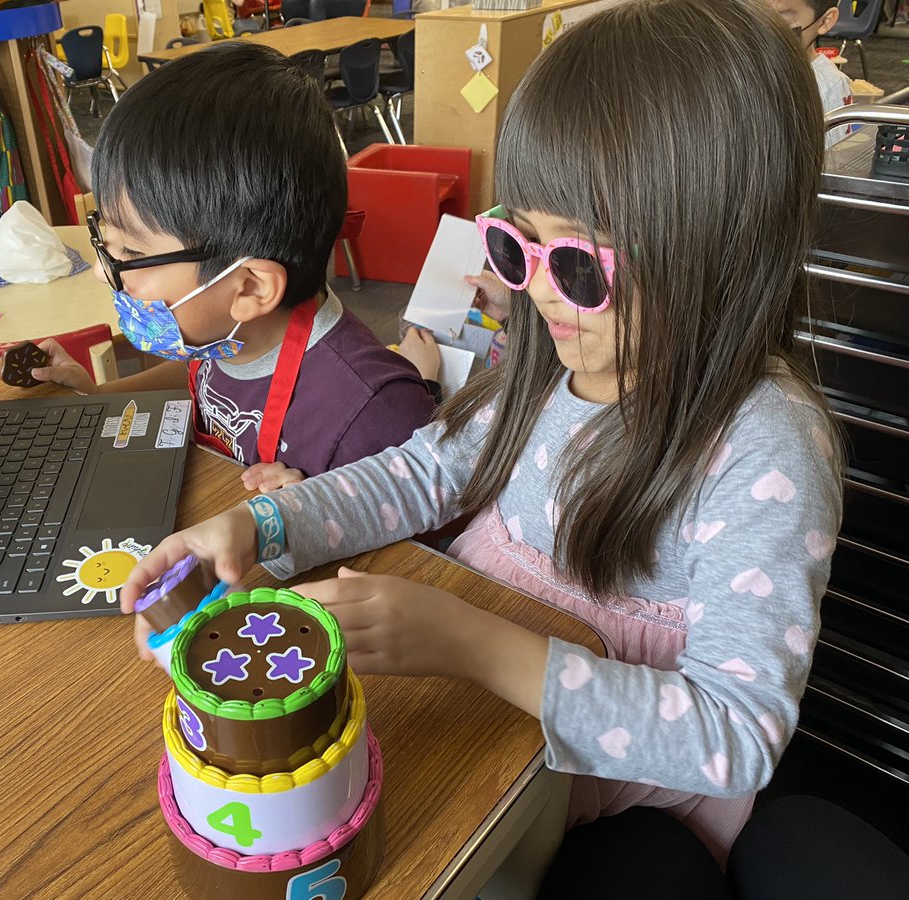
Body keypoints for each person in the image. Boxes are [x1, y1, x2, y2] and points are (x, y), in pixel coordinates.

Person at [122, 0, 844, 876]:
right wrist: (262, 530)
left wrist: (472, 643)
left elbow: (734, 736)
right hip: (488, 697)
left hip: (607, 768)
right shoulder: (552, 363)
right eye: (519, 244)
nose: (538, 293)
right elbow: (420, 476)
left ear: (718, 250)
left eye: (579, 264)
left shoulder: (767, 449)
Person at [29, 43, 435, 489]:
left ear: (250, 289)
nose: (102, 272)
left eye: (131, 254)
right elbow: (204, 381)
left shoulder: (373, 420)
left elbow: (414, 558)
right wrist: (98, 396)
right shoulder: (225, 337)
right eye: (107, 244)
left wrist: (313, 518)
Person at [771, 0, 853, 147]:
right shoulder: (744, 67)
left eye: (781, 22)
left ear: (825, 21)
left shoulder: (829, 84)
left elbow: (836, 157)